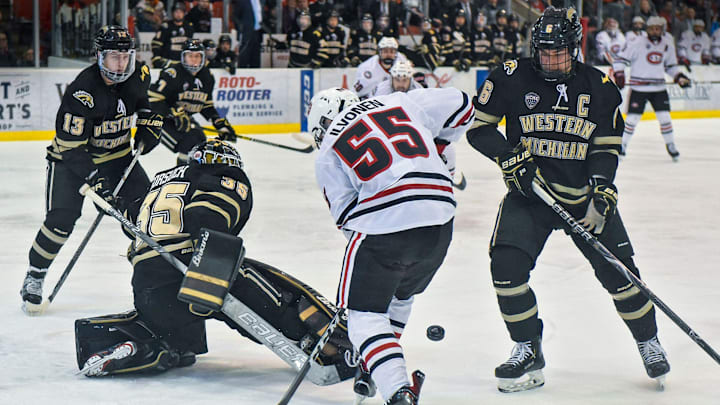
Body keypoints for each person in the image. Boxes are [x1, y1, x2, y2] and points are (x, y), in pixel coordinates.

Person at [466, 7, 671, 393]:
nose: (550, 59)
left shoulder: (600, 86)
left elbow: (606, 148)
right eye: (543, 51)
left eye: (558, 52)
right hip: (530, 196)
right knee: (506, 269)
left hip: (581, 198)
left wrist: (602, 189)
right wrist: (510, 156)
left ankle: (648, 340)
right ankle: (527, 345)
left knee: (621, 275)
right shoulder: (510, 77)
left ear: (575, 48)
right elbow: (480, 131)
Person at [74, 140, 356, 382]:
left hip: (148, 291)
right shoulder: (218, 176)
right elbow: (207, 221)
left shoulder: (162, 181)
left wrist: (117, 202)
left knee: (183, 341)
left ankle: (146, 345)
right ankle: (321, 343)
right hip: (184, 274)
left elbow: (134, 223)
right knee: (256, 281)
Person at [309, 85, 473, 404]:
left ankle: (396, 389)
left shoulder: (328, 150)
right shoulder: (399, 100)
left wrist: (365, 283)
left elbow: (347, 218)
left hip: (386, 222)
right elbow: (464, 104)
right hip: (440, 217)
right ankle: (379, 359)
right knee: (402, 292)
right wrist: (437, 147)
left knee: (363, 315)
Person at [20, 26, 163, 315]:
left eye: (125, 57)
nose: (121, 64)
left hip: (119, 157)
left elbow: (143, 102)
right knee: (62, 219)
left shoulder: (140, 74)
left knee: (144, 214)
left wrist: (148, 124)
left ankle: (158, 276)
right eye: (114, 57)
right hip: (71, 161)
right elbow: (70, 147)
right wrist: (96, 182)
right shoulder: (81, 92)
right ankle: (35, 275)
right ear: (99, 56)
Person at [612, 15, 691, 161]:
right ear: (647, 29)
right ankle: (622, 146)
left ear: (662, 30)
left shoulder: (667, 44)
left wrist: (679, 77)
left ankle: (671, 145)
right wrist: (619, 73)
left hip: (658, 88)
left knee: (665, 118)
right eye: (652, 29)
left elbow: (670, 66)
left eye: (657, 29)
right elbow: (620, 59)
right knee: (632, 119)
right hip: (639, 89)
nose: (655, 31)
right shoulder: (636, 42)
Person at [148, 39, 236, 165]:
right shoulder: (173, 73)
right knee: (189, 142)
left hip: (183, 119)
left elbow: (206, 105)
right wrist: (173, 113)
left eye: (197, 56)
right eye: (190, 56)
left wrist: (220, 124)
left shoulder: (207, 76)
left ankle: (190, 175)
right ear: (183, 57)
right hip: (159, 119)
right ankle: (183, 175)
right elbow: (153, 100)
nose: (194, 60)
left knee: (200, 141)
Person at [151, 2, 194, 68]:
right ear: (172, 13)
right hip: (168, 63)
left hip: (184, 64)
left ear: (184, 13)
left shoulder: (188, 27)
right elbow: (156, 44)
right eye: (176, 12)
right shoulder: (166, 27)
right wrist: (157, 58)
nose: (178, 14)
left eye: (180, 12)